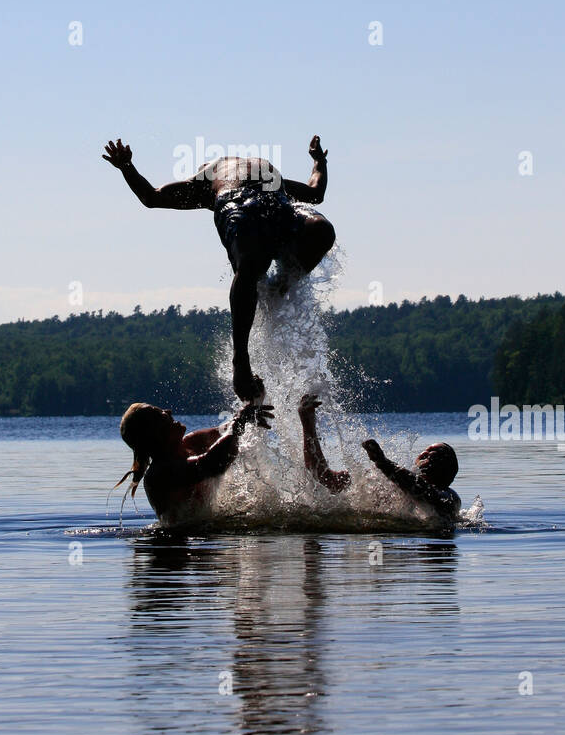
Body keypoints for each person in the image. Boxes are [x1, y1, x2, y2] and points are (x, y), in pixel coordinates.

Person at [103, 136, 336, 401]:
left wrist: (319, 160)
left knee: (321, 230)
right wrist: (127, 167)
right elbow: (151, 197)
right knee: (251, 263)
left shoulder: (270, 178)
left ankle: (280, 287)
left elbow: (315, 193)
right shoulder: (202, 183)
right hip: (235, 204)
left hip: (278, 204)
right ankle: (241, 360)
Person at [298, 394, 461, 524]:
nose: (428, 458)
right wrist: (308, 424)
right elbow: (325, 478)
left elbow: (425, 492)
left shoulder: (449, 498)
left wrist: (383, 463)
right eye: (425, 454)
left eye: (438, 457)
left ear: (448, 474)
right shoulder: (381, 482)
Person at [115, 399, 274, 529]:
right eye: (160, 414)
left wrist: (252, 401)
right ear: (154, 434)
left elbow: (228, 430)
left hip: (205, 537)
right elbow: (212, 464)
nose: (168, 411)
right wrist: (239, 422)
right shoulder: (159, 474)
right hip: (181, 545)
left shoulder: (193, 442)